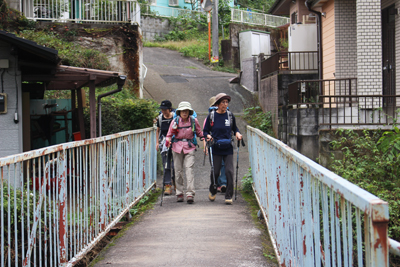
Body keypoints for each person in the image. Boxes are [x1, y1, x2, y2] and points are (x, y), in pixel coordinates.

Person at [203, 93, 242, 205]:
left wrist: (238, 134)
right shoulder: (211, 116)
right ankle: (213, 189)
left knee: (229, 171)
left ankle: (228, 195)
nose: (225, 104)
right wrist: (208, 136)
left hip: (228, 147)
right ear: (218, 104)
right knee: (215, 172)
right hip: (216, 147)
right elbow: (205, 131)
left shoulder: (230, 115)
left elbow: (235, 128)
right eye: (223, 102)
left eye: (226, 102)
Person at [166, 101, 204, 204]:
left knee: (189, 170)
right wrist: (167, 140)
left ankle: (190, 194)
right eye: (182, 111)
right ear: (179, 112)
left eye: (186, 111)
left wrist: (204, 137)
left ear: (189, 111)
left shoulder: (193, 120)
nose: (184, 113)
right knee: (178, 171)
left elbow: (199, 132)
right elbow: (169, 135)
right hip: (176, 148)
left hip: (189, 147)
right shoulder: (175, 121)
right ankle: (179, 193)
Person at [203, 96, 227, 193]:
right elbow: (205, 132)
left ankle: (222, 184)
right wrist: (205, 146)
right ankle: (215, 184)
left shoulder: (226, 116)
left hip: (223, 144)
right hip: (212, 144)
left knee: (222, 164)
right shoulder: (209, 118)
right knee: (215, 166)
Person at [156, 100, 175, 195]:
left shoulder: (175, 118)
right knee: (166, 165)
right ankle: (168, 185)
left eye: (165, 109)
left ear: (170, 109)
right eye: (162, 109)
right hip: (164, 144)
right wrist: (157, 143)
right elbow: (158, 130)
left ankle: (176, 182)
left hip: (175, 143)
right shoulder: (160, 118)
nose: (163, 111)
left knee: (175, 165)